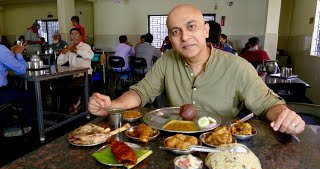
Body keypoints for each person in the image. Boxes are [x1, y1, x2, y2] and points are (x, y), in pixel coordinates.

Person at [88, 4, 305, 136]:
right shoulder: (166, 61)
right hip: (172, 145)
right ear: (170, 39)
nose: (184, 37)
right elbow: (141, 92)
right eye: (175, 31)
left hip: (220, 147)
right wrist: (112, 106)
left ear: (205, 29)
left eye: (191, 27)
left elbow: (270, 104)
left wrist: (285, 117)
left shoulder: (237, 66)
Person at [57, 28, 94, 114]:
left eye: (76, 34)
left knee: (71, 86)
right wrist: (63, 52)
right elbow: (59, 62)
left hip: (85, 75)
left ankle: (76, 104)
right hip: (72, 75)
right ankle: (66, 106)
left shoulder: (86, 47)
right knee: (59, 84)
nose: (74, 36)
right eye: (72, 34)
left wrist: (77, 50)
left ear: (81, 36)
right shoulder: (68, 47)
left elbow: (90, 56)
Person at [0, 42, 33, 136]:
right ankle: (17, 125)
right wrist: (18, 53)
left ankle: (9, 116)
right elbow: (21, 70)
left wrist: (11, 53)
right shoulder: (1, 49)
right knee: (29, 96)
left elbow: (5, 64)